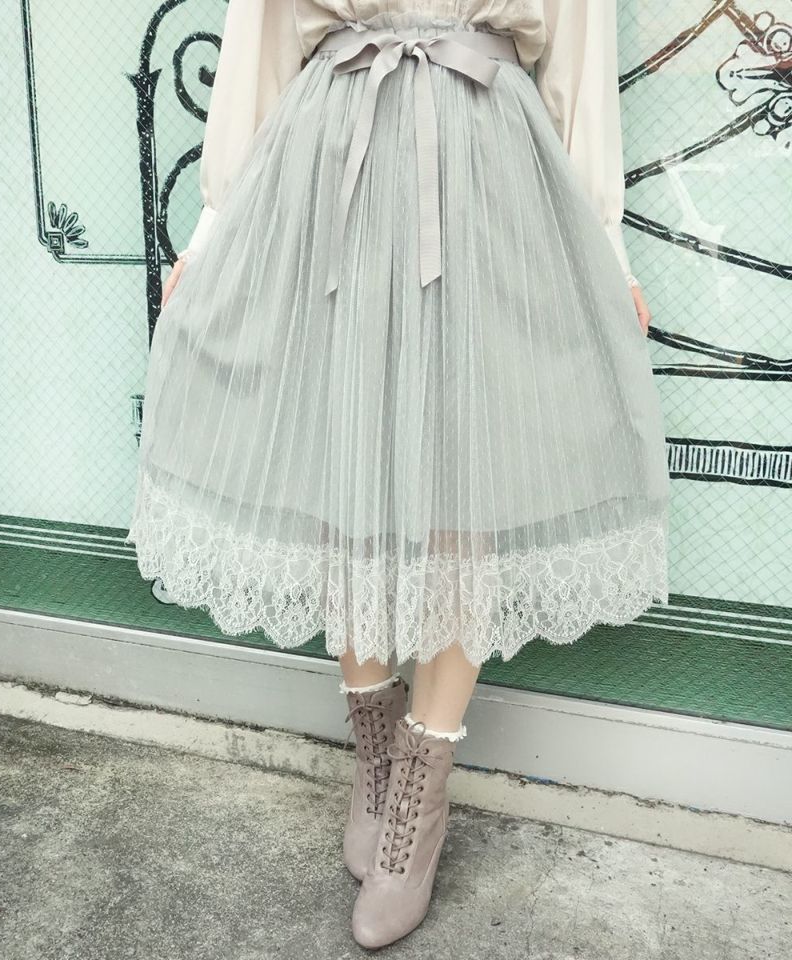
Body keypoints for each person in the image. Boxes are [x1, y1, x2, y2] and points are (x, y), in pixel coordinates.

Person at [126, 0, 671, 948]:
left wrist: (605, 245)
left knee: (466, 476)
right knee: (347, 471)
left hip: (488, 164)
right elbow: (262, 37)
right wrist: (212, 231)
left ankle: (420, 793)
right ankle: (376, 759)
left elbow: (577, 55)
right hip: (332, 157)